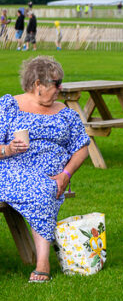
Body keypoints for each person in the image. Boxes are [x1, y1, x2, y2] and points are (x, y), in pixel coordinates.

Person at [0, 56, 91, 282]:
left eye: (61, 82)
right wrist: (8, 149)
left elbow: (82, 149)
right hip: (13, 170)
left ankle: (41, 262)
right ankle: (43, 262)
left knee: (48, 186)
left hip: (52, 175)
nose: (61, 88)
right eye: (56, 83)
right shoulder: (9, 106)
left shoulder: (66, 113)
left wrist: (66, 174)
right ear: (37, 84)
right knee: (42, 189)